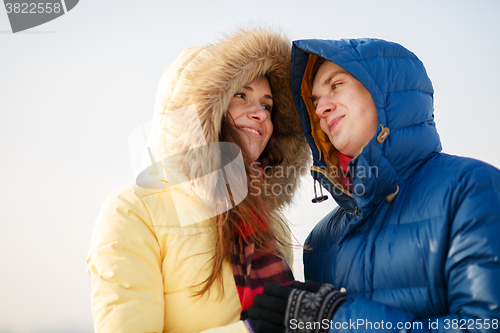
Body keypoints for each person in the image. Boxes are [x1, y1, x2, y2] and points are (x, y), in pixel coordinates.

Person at [246, 38, 500, 332]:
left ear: (382, 92)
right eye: (314, 102)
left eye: (336, 85)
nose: (321, 109)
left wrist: (338, 319)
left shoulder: (470, 189)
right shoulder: (321, 240)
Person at [86, 28, 310, 333]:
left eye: (267, 105)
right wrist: (250, 330)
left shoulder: (272, 224)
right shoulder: (134, 211)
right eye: (240, 95)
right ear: (204, 110)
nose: (259, 113)